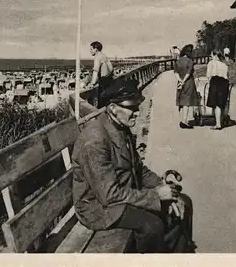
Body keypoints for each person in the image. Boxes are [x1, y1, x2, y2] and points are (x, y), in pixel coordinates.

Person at [71, 78, 194, 253]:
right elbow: (110, 195)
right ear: (112, 108)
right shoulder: (94, 141)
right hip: (98, 208)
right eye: (132, 108)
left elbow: (139, 169)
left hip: (122, 194)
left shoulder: (120, 126)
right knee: (152, 226)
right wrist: (156, 196)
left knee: (183, 202)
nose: (137, 112)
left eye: (137, 107)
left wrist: (162, 186)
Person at [174, 44, 199, 129]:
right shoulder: (190, 61)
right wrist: (184, 81)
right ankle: (184, 121)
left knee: (181, 101)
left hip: (179, 82)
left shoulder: (178, 61)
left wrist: (180, 81)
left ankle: (181, 119)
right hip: (188, 82)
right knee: (186, 103)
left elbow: (176, 72)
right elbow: (188, 73)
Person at [206, 50, 230, 130]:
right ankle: (221, 121)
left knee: (216, 104)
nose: (211, 57)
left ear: (215, 55)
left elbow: (208, 75)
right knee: (221, 103)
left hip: (215, 82)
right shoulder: (224, 64)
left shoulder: (211, 63)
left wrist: (209, 82)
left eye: (211, 55)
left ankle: (218, 124)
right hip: (224, 83)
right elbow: (227, 75)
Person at [89, 41, 114, 108]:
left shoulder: (97, 57)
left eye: (91, 49)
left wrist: (92, 83)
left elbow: (95, 71)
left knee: (102, 104)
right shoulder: (104, 56)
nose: (90, 51)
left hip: (103, 82)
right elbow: (111, 69)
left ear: (96, 49)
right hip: (110, 80)